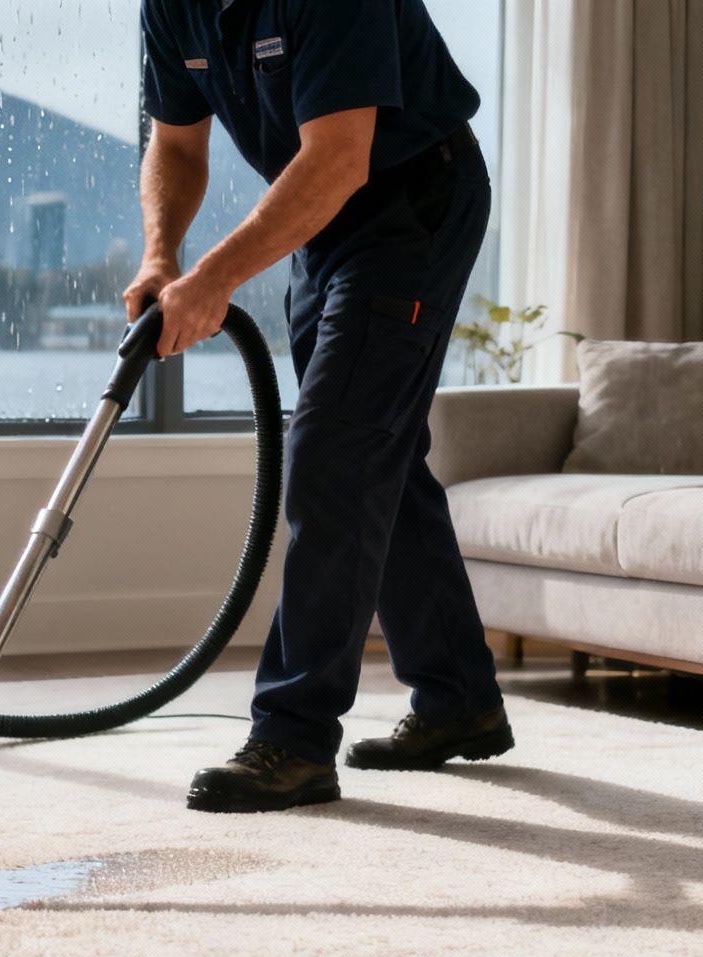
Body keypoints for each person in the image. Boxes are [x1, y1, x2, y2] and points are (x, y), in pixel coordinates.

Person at [125, 0, 514, 814]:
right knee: (379, 454)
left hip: (411, 199)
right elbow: (175, 142)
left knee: (336, 454)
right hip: (323, 222)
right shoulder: (170, 6)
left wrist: (217, 280)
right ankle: (459, 700)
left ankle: (294, 738)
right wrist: (164, 256)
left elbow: (339, 157)